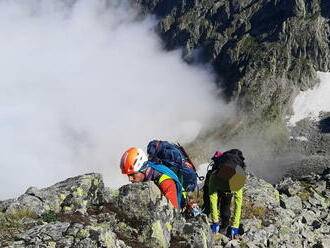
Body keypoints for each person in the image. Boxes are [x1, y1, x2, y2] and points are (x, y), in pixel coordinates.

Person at [120, 147, 185, 209]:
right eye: (128, 175)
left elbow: (173, 211)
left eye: (132, 175)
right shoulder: (147, 174)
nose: (130, 179)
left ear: (143, 169)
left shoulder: (166, 181)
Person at [208, 149, 246, 239]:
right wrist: (215, 221)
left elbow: (238, 203)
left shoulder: (238, 179)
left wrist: (235, 226)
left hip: (228, 185)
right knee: (209, 204)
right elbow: (212, 198)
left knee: (225, 207)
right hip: (218, 182)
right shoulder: (214, 177)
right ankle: (215, 223)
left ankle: (224, 227)